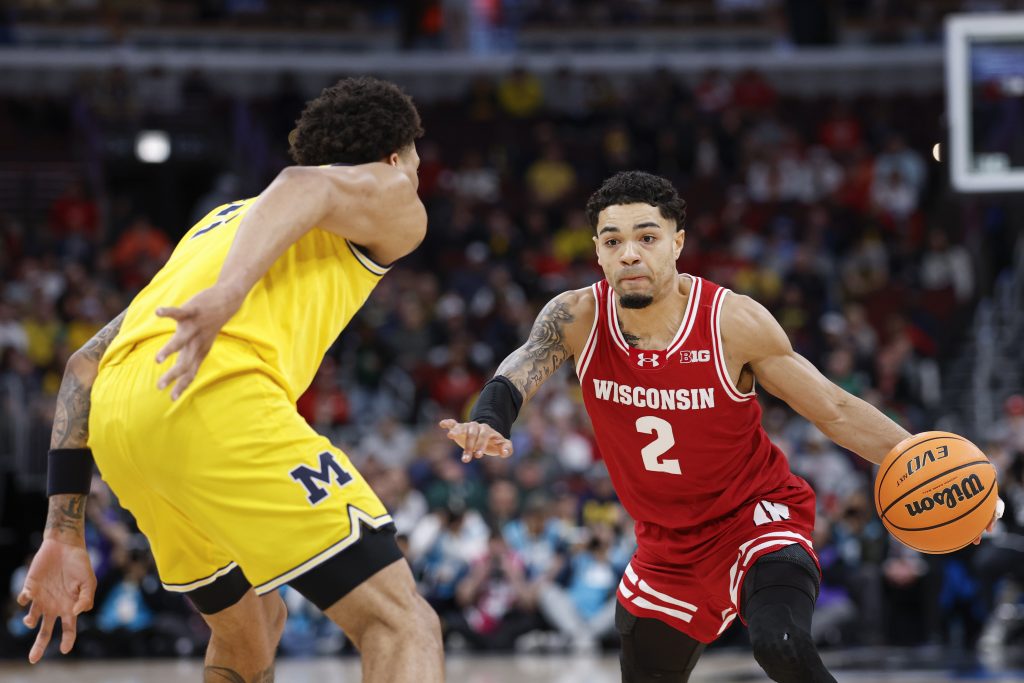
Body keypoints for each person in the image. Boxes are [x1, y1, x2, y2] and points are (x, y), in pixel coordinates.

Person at [440, 170, 996, 682]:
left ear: (677, 243)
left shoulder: (731, 321)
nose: (629, 253)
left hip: (755, 516)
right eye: (612, 241)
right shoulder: (578, 316)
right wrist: (488, 419)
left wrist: (936, 470)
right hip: (666, 545)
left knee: (781, 644)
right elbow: (524, 363)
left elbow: (834, 408)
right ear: (598, 251)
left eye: (647, 237)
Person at [17, 76, 444, 682]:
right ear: (394, 156)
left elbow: (83, 363)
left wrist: (62, 531)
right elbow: (304, 184)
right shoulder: (391, 189)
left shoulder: (219, 222)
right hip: (213, 397)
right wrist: (230, 292)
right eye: (416, 161)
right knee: (402, 623)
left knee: (251, 630)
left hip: (123, 426)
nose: (417, 176)